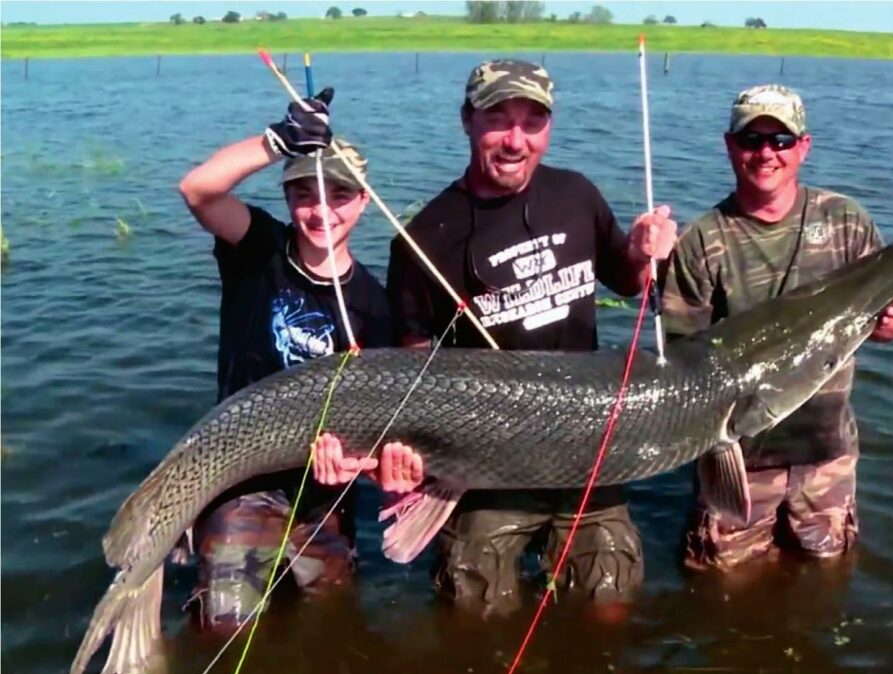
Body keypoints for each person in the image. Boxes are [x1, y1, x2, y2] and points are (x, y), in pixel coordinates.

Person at [385, 60, 677, 615]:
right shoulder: (423, 238)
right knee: (474, 614)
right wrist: (406, 458)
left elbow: (631, 281)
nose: (516, 140)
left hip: (589, 450)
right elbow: (409, 374)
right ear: (466, 121)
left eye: (533, 122)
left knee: (610, 606)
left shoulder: (577, 195)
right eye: (499, 119)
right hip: (484, 464)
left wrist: (644, 251)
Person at [178, 87, 423, 631]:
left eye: (339, 194)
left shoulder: (374, 307)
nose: (322, 211)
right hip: (244, 479)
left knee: (330, 628)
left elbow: (375, 428)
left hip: (323, 492)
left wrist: (357, 466)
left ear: (363, 200)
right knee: (224, 627)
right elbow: (197, 189)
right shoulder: (260, 248)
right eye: (305, 195)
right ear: (288, 200)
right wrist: (275, 141)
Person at [660, 84, 893, 570]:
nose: (766, 154)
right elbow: (680, 364)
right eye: (752, 140)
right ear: (730, 146)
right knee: (723, 586)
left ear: (804, 147)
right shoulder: (701, 240)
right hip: (738, 460)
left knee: (825, 574)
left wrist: (891, 323)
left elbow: (887, 325)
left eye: (781, 141)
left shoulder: (845, 221)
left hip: (826, 453)